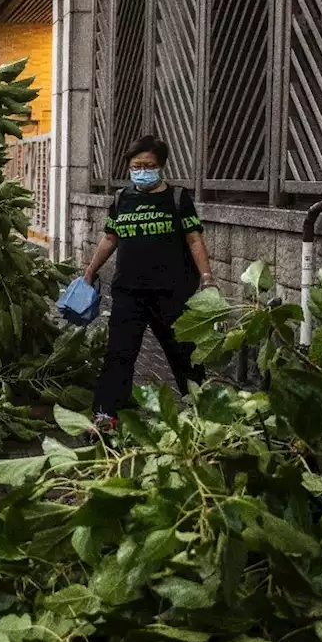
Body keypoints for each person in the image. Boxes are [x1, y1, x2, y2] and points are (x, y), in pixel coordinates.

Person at [82, 134, 217, 429]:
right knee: (119, 353)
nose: (142, 170)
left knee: (184, 354)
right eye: (136, 165)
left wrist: (207, 278)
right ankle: (106, 414)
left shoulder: (177, 198)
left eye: (148, 164)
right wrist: (90, 270)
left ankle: (204, 413)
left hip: (172, 292)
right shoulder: (121, 199)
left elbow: (194, 239)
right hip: (128, 292)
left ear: (161, 166)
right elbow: (109, 238)